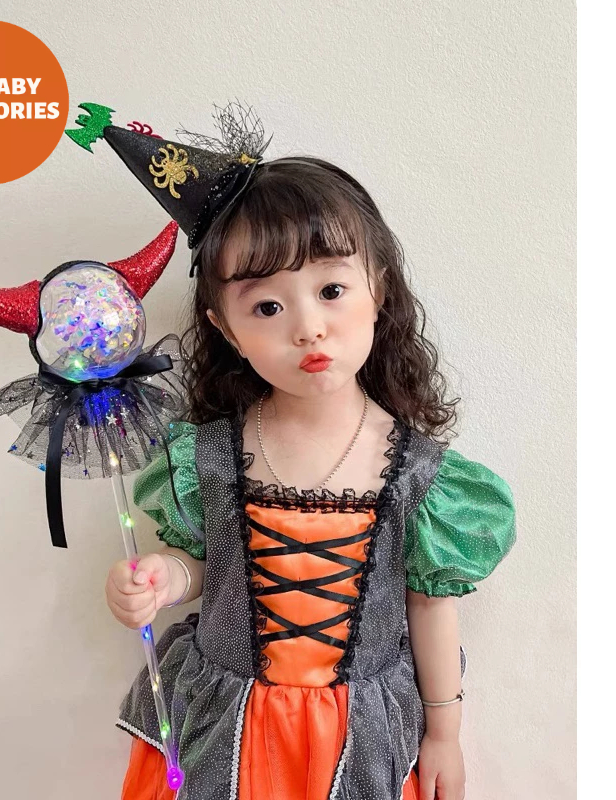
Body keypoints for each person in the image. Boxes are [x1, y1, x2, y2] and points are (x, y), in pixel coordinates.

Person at [96, 106, 516, 800]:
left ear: (377, 288)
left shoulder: (422, 477)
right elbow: (205, 566)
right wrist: (164, 577)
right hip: (224, 736)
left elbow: (430, 606)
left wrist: (444, 732)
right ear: (225, 328)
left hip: (359, 743)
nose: (308, 327)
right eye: (267, 307)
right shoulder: (205, 459)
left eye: (330, 290)